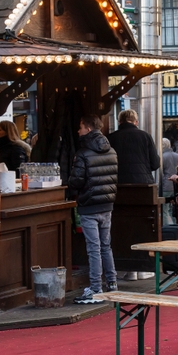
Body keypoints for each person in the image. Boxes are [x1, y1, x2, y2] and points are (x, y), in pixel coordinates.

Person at [70, 115, 120, 304]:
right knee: (105, 245)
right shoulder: (111, 151)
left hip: (89, 205)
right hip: (107, 204)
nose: (78, 131)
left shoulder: (83, 153)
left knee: (93, 248)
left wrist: (71, 188)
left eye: (81, 127)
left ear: (88, 129)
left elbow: (77, 180)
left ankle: (95, 288)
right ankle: (112, 283)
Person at [107, 109, 160, 185]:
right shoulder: (145, 136)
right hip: (143, 182)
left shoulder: (111, 138)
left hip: (118, 183)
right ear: (136, 122)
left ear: (119, 122)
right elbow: (155, 164)